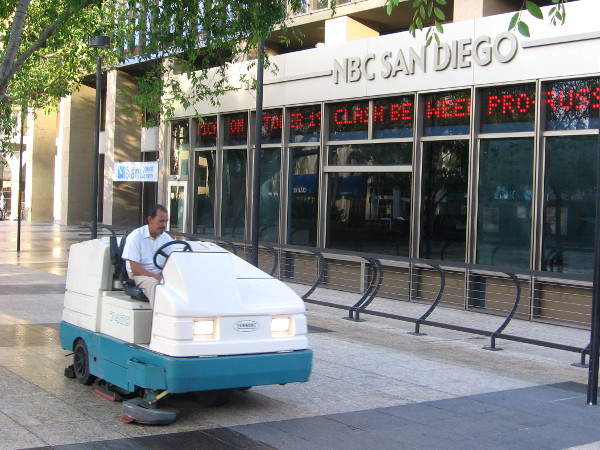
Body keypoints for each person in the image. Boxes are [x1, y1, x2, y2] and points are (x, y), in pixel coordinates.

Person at [122, 204, 172, 306]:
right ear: (150, 219)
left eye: (166, 221)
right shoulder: (136, 237)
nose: (164, 225)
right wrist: (156, 277)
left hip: (160, 275)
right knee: (155, 285)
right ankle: (160, 318)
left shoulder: (167, 239)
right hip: (140, 276)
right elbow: (135, 269)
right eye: (161, 221)